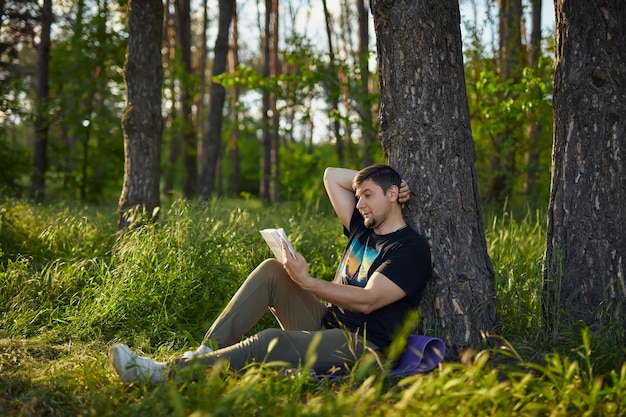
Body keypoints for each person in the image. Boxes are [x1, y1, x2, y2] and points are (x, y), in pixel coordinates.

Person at [110, 164, 433, 384]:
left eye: (368, 194)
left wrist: (307, 281)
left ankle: (162, 373)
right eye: (357, 194)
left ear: (392, 196)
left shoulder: (409, 249)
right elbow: (332, 175)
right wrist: (388, 180)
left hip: (364, 346)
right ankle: (206, 352)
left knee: (269, 341)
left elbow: (367, 301)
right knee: (272, 271)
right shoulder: (361, 228)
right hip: (328, 325)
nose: (359, 202)